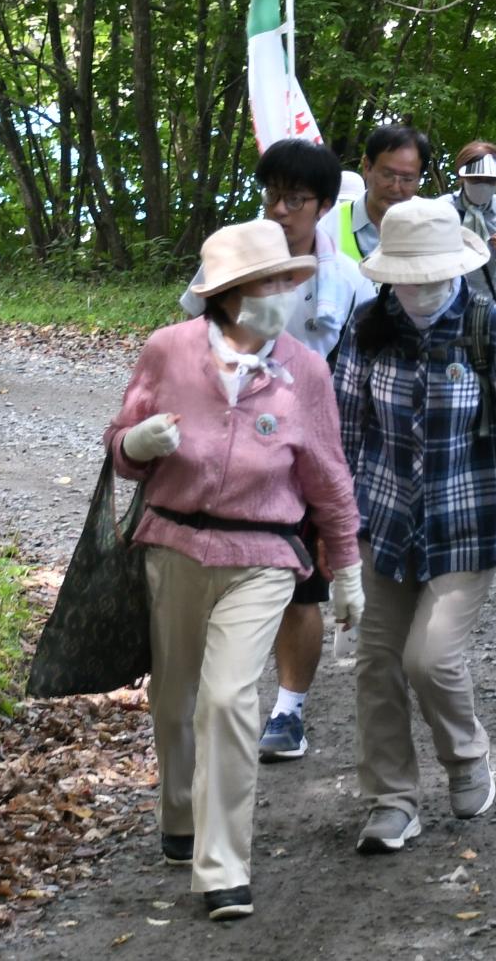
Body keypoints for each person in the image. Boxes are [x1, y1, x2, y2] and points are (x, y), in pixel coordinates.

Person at [105, 219, 364, 922]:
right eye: (266, 283)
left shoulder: (306, 369)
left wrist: (346, 568)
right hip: (174, 544)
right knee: (175, 700)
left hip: (264, 554)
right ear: (227, 295)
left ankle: (222, 866)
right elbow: (121, 450)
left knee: (227, 698)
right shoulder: (169, 350)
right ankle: (181, 814)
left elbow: (329, 476)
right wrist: (135, 440)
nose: (281, 294)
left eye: (286, 280)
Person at [336, 198, 496, 855]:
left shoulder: (488, 326)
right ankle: (392, 800)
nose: (419, 287)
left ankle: (467, 756)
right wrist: (329, 535)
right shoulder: (367, 325)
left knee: (431, 656)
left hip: (466, 523)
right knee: (377, 662)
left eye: (431, 273)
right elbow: (344, 432)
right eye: (406, 275)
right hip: (383, 521)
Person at [179, 138, 372, 762]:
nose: (279, 210)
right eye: (271, 196)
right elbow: (191, 335)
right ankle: (213, 696)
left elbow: (359, 364)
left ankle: (288, 712)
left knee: (302, 583)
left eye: (294, 199)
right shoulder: (232, 258)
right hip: (229, 443)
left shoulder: (346, 278)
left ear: (322, 205)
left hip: (305, 445)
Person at [323, 123, 429, 266]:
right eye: (387, 175)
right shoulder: (328, 223)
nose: (396, 188)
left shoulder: (430, 228)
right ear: (367, 167)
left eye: (407, 179)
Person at [448, 141, 496, 309]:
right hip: (448, 303)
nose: (483, 185)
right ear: (463, 177)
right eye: (477, 179)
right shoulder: (443, 209)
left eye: (491, 181)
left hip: (488, 301)